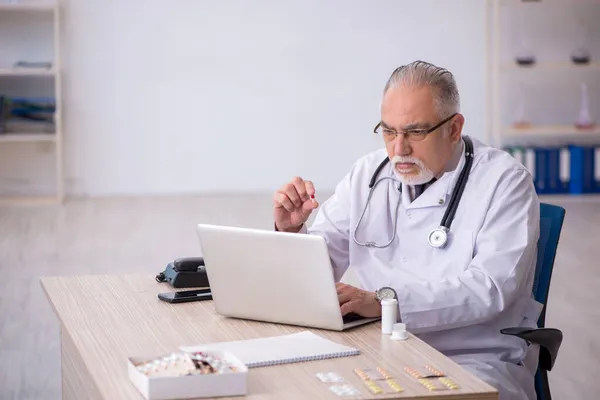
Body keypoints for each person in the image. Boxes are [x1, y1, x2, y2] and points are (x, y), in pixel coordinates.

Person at [272, 60, 542, 400]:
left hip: (473, 360)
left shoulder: (504, 182)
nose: (399, 149)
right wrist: (292, 233)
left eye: (415, 132)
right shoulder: (367, 175)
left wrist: (386, 301)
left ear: (454, 128)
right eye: (388, 131)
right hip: (377, 347)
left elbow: (490, 289)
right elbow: (317, 268)